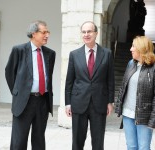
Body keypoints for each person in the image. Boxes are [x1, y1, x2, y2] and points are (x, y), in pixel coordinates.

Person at [5, 20, 56, 150]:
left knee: (39, 139)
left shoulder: (50, 53)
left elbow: (48, 77)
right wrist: (18, 93)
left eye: (47, 32)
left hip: (43, 101)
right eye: (44, 32)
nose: (47, 35)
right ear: (34, 34)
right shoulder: (19, 50)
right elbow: (10, 72)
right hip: (24, 102)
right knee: (19, 140)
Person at [65, 21, 115, 150]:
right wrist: (68, 103)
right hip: (78, 102)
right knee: (77, 141)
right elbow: (69, 81)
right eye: (84, 32)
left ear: (96, 33)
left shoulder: (107, 54)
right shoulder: (74, 55)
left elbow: (110, 80)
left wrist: (110, 102)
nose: (86, 34)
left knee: (98, 142)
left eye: (89, 31)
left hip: (99, 103)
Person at [115, 36, 155, 150]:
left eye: (133, 46)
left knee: (143, 147)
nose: (131, 49)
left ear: (142, 48)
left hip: (145, 116)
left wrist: (153, 120)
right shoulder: (131, 64)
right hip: (128, 113)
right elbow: (123, 86)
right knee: (131, 146)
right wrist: (119, 106)